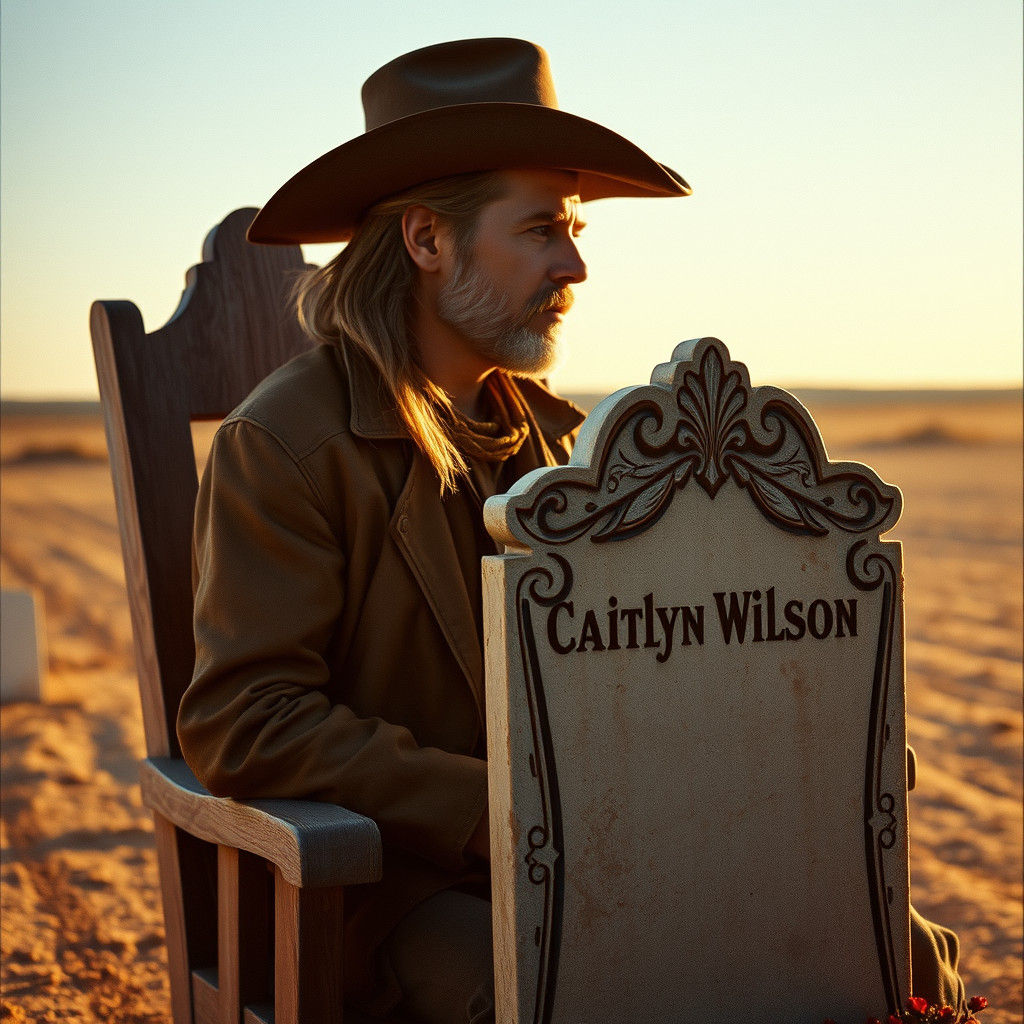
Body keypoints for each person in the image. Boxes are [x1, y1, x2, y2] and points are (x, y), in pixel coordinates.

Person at [177, 37, 965, 1024]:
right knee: (608, 991)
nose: (577, 263)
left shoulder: (573, 443)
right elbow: (245, 718)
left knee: (896, 953)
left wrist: (804, 754)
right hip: (404, 892)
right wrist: (499, 809)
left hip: (617, 858)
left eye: (575, 228)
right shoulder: (285, 443)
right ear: (427, 239)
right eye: (543, 229)